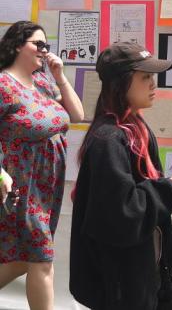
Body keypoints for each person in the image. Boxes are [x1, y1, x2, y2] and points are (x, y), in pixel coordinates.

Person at [69, 42, 172, 309]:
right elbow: (123, 213)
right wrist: (170, 189)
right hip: (118, 284)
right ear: (120, 83)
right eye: (145, 77)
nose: (153, 84)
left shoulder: (135, 128)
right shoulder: (109, 139)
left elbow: (141, 200)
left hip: (137, 276)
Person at [0, 21, 83, 310]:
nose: (44, 51)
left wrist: (59, 76)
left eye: (46, 45)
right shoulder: (3, 84)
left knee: (24, 258)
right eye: (38, 44)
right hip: (21, 183)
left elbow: (77, 114)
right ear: (16, 45)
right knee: (41, 258)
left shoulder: (44, 83)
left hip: (48, 187)